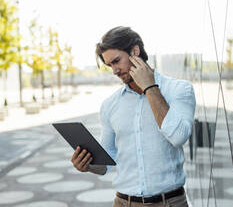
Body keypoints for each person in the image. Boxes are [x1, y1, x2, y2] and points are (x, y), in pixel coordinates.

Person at [70, 26, 196, 206]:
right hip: (123, 202)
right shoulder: (110, 105)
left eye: (116, 61)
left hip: (169, 202)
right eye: (109, 65)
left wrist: (150, 87)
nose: (114, 70)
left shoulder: (179, 89)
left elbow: (178, 137)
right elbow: (107, 161)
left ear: (135, 51)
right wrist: (88, 165)